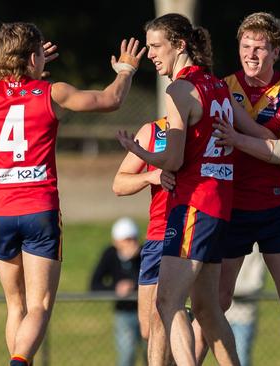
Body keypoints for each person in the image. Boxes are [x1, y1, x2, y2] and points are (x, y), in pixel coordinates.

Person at [0, 22, 145, 366]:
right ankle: (19, 362)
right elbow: (111, 99)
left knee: (15, 304)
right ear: (34, 57)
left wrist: (3, 61)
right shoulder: (51, 92)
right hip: (39, 211)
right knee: (39, 305)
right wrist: (126, 70)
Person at [117, 13, 249, 366]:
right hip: (220, 204)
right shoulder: (219, 86)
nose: (152, 55)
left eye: (157, 47)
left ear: (180, 44)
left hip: (194, 203)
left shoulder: (180, 89)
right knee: (207, 310)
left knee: (166, 302)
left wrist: (140, 153)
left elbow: (174, 161)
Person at [208, 12, 280, 365]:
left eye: (260, 48)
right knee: (216, 302)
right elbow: (270, 143)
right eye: (245, 47)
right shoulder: (222, 88)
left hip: (276, 209)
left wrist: (238, 139)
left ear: (276, 52)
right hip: (231, 208)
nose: (251, 55)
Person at [112, 116, 174, 366]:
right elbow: (119, 183)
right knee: (148, 328)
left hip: (193, 233)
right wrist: (151, 177)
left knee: (168, 316)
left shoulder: (208, 123)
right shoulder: (153, 132)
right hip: (157, 235)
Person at [90, 217, 144, 366]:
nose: (130, 243)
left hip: (147, 311)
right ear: (116, 241)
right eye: (126, 240)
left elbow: (150, 280)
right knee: (127, 354)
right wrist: (116, 289)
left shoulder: (144, 253)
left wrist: (130, 261)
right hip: (124, 313)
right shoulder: (110, 254)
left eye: (133, 239)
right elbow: (94, 285)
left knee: (152, 353)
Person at [224, 248, 266, 366]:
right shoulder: (222, 239)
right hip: (219, 315)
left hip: (243, 317)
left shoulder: (257, 250)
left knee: (241, 359)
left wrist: (226, 290)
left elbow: (256, 284)